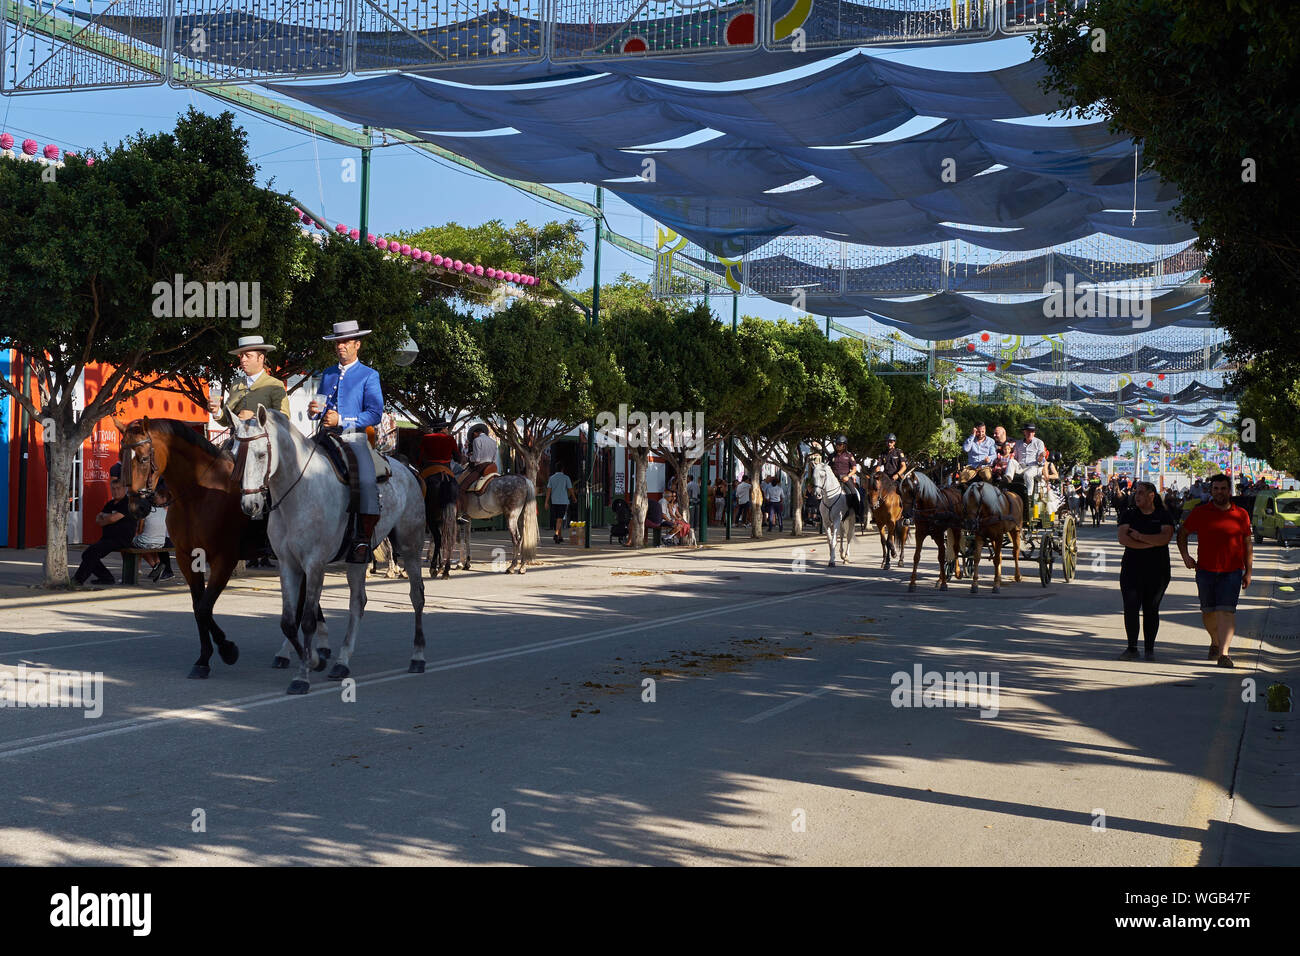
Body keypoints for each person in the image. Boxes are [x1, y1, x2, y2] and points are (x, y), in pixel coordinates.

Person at [310, 320, 384, 564]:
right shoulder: (329, 373)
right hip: (325, 436)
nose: (340, 346)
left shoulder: (369, 375)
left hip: (354, 438)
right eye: (337, 342)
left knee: (365, 479)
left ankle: (363, 538)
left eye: (345, 342)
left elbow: (375, 414)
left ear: (357, 345)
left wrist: (343, 419)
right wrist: (313, 410)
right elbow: (320, 406)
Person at [1177, 474, 1252, 668]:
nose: (1219, 492)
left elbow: (1247, 543)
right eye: (1216, 489)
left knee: (1226, 611)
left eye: (1223, 489)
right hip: (1205, 571)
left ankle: (1224, 654)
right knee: (1208, 612)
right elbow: (1182, 533)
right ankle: (1215, 641)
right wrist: (1186, 557)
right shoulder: (1201, 512)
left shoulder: (1241, 514)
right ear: (1211, 491)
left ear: (1230, 491)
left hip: (1232, 571)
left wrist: (1249, 571)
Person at [1116, 482, 1174, 661]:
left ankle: (1149, 649)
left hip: (1158, 570)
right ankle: (1132, 647)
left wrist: (1141, 537)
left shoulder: (1163, 515)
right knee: (1131, 607)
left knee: (1151, 609)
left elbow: (1165, 537)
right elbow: (1123, 538)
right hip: (1131, 569)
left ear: (1151, 495)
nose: (1137, 496)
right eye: (1136, 492)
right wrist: (1151, 543)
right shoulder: (1129, 514)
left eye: (1141, 492)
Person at [208, 335, 289, 428]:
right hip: (236, 439)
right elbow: (226, 420)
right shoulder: (236, 384)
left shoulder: (275, 385)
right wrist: (216, 411)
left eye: (248, 356)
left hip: (263, 441)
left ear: (261, 358)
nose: (243, 359)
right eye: (241, 356)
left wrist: (254, 417)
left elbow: (284, 419)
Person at [72, 478, 135, 585]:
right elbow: (98, 519)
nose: (115, 491)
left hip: (121, 539)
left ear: (124, 489)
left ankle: (78, 580)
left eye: (118, 488)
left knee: (92, 553)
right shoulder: (110, 504)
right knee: (88, 554)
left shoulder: (127, 503)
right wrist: (108, 518)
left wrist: (106, 518)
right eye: (113, 489)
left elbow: (112, 519)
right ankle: (106, 577)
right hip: (107, 538)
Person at [132, 482, 175, 582]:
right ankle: (158, 568)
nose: (154, 498)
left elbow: (140, 530)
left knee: (136, 543)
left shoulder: (150, 510)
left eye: (157, 497)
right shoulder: (164, 511)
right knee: (148, 544)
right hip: (161, 541)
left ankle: (157, 567)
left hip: (161, 541)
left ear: (164, 499)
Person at [830, 435, 864, 527]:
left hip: (845, 479)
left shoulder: (849, 455)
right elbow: (828, 468)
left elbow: (854, 469)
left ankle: (857, 513)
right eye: (837, 444)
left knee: (853, 493)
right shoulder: (832, 455)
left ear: (844, 445)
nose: (837, 446)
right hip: (834, 479)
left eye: (840, 444)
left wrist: (848, 476)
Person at [1012, 424, 1047, 500]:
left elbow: (1041, 462)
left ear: (1034, 433)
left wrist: (1041, 457)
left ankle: (1028, 496)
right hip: (1021, 466)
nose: (1030, 433)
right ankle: (1007, 479)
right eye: (1028, 431)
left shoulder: (1039, 442)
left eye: (1032, 431)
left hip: (1034, 466)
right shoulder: (1018, 443)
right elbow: (1015, 457)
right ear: (1024, 432)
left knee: (1028, 474)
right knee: (1011, 461)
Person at [546, 467, 574, 544]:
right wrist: (574, 497)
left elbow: (549, 490)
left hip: (554, 501)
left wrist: (546, 502)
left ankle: (560, 537)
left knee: (558, 519)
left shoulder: (551, 478)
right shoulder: (566, 478)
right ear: (562, 469)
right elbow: (570, 488)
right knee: (560, 519)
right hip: (563, 501)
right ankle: (556, 534)